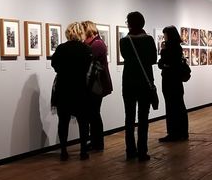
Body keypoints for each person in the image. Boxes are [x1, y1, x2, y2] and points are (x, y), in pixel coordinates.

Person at [51, 22, 92, 161]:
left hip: (64, 88)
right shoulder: (86, 49)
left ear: (68, 33)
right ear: (81, 33)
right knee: (83, 121)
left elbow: (54, 65)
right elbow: (88, 67)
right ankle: (83, 151)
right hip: (80, 88)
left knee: (63, 121)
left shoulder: (61, 48)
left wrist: (63, 71)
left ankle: (63, 151)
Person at [120, 11, 157, 162]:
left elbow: (125, 57)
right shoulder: (148, 40)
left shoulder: (124, 41)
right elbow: (153, 59)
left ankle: (130, 151)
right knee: (143, 118)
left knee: (129, 118)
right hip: (144, 82)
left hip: (128, 82)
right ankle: (142, 151)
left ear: (130, 23)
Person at [81, 21, 113, 151]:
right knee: (92, 113)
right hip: (94, 84)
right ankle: (95, 141)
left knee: (94, 113)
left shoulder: (97, 44)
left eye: (82, 31)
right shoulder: (92, 43)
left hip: (96, 85)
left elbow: (86, 60)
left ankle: (98, 143)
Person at [157, 26, 189, 142]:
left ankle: (173, 133)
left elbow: (162, 64)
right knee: (180, 106)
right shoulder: (178, 47)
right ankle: (183, 132)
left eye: (165, 34)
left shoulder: (169, 48)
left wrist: (163, 52)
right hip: (177, 81)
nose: (164, 37)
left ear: (169, 35)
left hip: (169, 80)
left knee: (171, 107)